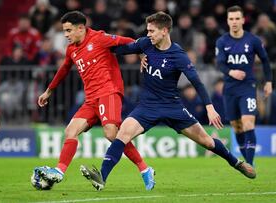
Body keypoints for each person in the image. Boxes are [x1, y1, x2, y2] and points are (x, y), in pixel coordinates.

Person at [80, 12, 256, 191]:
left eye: (151, 31)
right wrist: (128, 50)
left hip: (173, 106)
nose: (148, 34)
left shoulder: (178, 55)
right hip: (147, 106)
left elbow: (197, 82)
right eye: (147, 30)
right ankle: (102, 177)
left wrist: (210, 107)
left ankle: (236, 163)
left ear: (164, 31)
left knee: (208, 142)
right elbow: (118, 48)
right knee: (122, 135)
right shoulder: (145, 44)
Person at [36, 11, 155, 190]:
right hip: (91, 98)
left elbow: (128, 41)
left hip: (109, 92)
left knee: (111, 133)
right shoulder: (71, 50)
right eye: (64, 31)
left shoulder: (100, 38)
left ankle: (144, 169)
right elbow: (63, 70)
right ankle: (59, 172)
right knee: (71, 130)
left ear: (81, 28)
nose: (66, 35)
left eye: (68, 31)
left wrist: (141, 54)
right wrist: (48, 91)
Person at [215, 6, 273, 166]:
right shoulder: (222, 41)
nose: (234, 22)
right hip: (230, 89)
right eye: (231, 19)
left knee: (248, 122)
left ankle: (249, 163)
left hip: (248, 86)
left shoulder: (253, 40)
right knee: (237, 127)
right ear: (227, 21)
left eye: (237, 19)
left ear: (242, 20)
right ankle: (247, 162)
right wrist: (231, 72)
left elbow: (266, 61)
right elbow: (219, 64)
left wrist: (268, 81)